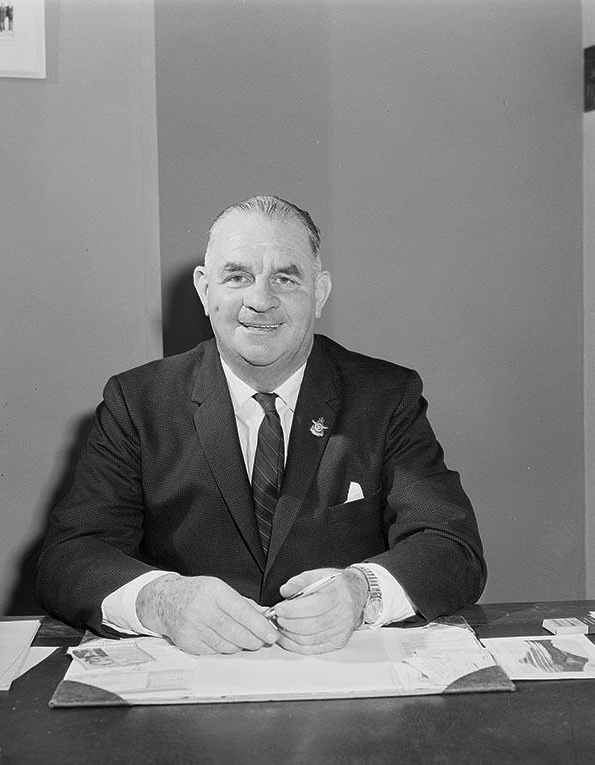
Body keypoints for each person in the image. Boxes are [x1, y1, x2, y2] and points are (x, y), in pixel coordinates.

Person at [35, 195, 485, 656]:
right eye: (237, 277)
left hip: (338, 683)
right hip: (188, 686)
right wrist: (161, 602)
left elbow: (451, 546)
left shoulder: (386, 396)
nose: (260, 300)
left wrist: (359, 593)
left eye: (285, 278)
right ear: (204, 289)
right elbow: (70, 556)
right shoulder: (137, 402)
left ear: (320, 292)